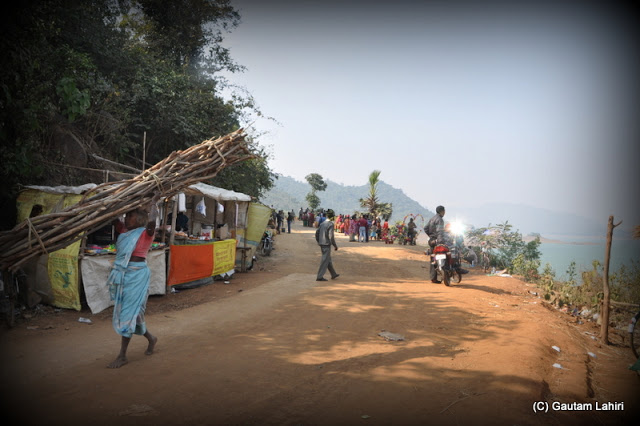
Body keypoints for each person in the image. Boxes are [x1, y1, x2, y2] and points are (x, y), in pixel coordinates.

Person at [107, 196, 160, 368]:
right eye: (126, 215)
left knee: (129, 314)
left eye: (129, 216)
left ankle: (122, 356)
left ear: (139, 219)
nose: (126, 218)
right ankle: (151, 338)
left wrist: (153, 203)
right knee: (133, 314)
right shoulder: (123, 231)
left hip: (137, 276)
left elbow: (152, 222)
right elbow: (113, 216)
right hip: (124, 275)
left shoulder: (146, 233)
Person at [315, 212, 339, 281]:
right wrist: (334, 245)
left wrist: (318, 241)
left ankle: (333, 274)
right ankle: (319, 276)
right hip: (326, 244)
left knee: (327, 259)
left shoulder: (322, 224)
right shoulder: (330, 224)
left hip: (322, 243)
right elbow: (331, 236)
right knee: (324, 260)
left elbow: (317, 233)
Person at [425, 205, 446, 283]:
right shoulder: (440, 219)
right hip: (437, 241)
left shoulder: (432, 218)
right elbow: (440, 231)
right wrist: (440, 241)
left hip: (431, 241)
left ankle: (433, 278)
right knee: (443, 255)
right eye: (444, 211)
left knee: (433, 258)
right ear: (442, 211)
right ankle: (444, 273)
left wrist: (431, 236)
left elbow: (425, 228)